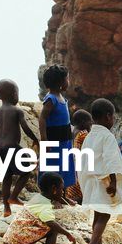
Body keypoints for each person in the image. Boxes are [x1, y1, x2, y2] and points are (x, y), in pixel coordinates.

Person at [77, 99, 122, 244]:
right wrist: (113, 182)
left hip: (91, 179)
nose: (113, 120)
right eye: (113, 117)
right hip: (104, 181)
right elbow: (111, 159)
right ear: (108, 116)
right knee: (105, 213)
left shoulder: (89, 136)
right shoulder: (107, 136)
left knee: (98, 213)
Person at [0, 172, 78, 244]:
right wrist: (67, 234)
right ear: (54, 189)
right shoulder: (44, 205)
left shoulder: (39, 198)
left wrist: (64, 200)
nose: (62, 192)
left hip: (11, 236)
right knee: (53, 230)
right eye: (61, 189)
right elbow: (51, 223)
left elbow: (56, 198)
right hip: (18, 237)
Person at [0, 78, 39, 216]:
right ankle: (14, 196)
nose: (17, 95)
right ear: (12, 94)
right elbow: (26, 128)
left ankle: (6, 208)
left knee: (6, 178)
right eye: (17, 93)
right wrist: (35, 140)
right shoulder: (16, 111)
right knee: (27, 171)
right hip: (13, 147)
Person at [39, 65, 77, 198]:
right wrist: (44, 140)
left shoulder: (61, 98)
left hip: (65, 141)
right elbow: (42, 118)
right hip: (54, 142)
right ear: (61, 82)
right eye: (67, 79)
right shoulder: (51, 99)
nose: (69, 81)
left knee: (65, 169)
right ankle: (51, 197)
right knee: (53, 170)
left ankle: (63, 197)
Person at [66, 109, 94, 202]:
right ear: (83, 122)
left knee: (73, 193)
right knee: (82, 193)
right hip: (81, 168)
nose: (91, 124)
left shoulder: (72, 132)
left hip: (72, 167)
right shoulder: (83, 134)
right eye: (89, 122)